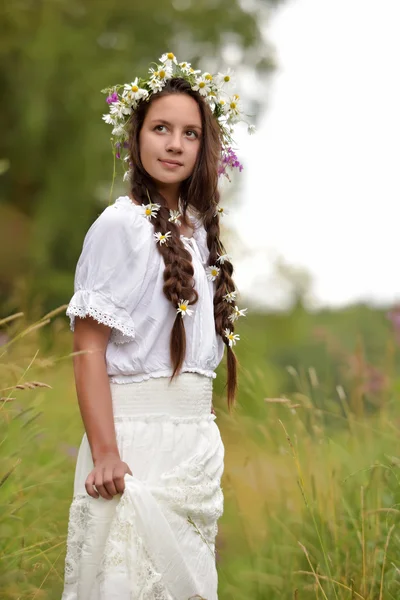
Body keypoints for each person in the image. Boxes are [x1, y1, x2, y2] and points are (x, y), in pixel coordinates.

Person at [61, 52, 252, 600]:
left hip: (191, 448)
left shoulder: (198, 235)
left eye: (190, 133)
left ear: (204, 147)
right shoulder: (121, 226)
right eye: (161, 128)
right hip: (133, 448)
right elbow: (88, 348)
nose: (174, 144)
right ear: (136, 137)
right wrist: (104, 453)